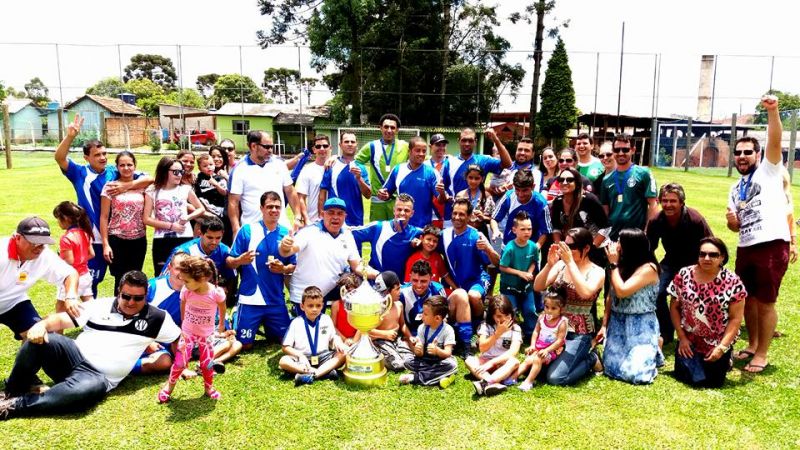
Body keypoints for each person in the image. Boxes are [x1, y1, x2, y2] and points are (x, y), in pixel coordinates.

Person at [0, 271, 180, 419]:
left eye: (138, 298)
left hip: (97, 376)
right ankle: (11, 391)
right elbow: (62, 320)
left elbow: (178, 340)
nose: (131, 302)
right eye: (126, 296)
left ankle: (14, 407)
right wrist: (42, 325)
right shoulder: (98, 305)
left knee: (85, 392)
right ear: (118, 292)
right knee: (41, 339)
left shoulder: (158, 318)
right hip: (72, 356)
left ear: (145, 296)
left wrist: (181, 366)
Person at [725, 94, 790, 374]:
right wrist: (732, 221)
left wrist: (773, 111)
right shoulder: (735, 187)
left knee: (765, 301)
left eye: (747, 152)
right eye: (738, 153)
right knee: (746, 299)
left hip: (771, 244)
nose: (742, 157)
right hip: (746, 245)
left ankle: (762, 353)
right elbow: (735, 226)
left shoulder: (769, 170)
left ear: (758, 155)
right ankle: (751, 344)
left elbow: (775, 139)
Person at [54, 114, 151, 296]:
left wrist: (128, 184)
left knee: (122, 277)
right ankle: (87, 319)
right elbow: (59, 158)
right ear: (86, 157)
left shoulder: (115, 172)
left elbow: (150, 178)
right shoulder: (79, 173)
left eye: (105, 153)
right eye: (97, 154)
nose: (102, 157)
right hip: (91, 238)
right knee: (90, 280)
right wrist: (70, 136)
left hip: (115, 236)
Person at [669, 237, 746, 387]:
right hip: (689, 340)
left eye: (713, 255)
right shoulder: (684, 274)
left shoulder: (733, 282)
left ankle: (726, 356)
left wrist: (722, 347)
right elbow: (674, 307)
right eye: (702, 254)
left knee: (712, 382)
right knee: (685, 377)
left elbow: (736, 319)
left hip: (716, 342)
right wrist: (682, 337)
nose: (706, 258)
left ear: (722, 257)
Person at [533, 227, 605, 386]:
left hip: (579, 332)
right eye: (565, 245)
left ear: (586, 248)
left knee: (555, 378)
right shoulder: (560, 266)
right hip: (554, 329)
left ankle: (591, 359)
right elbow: (538, 286)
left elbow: (585, 292)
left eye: (571, 247)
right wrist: (549, 265)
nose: (566, 251)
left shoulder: (597, 271)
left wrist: (570, 263)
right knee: (538, 369)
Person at [280, 197, 376, 313]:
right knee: (310, 329)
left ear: (345, 216)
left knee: (357, 288)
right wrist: (285, 246)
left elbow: (357, 266)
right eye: (331, 213)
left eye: (340, 213)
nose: (335, 217)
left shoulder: (347, 235)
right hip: (306, 294)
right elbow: (287, 251)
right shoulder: (309, 232)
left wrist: (379, 275)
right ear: (322, 214)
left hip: (331, 290)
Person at [227, 191, 296, 350]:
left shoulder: (287, 234)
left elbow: (293, 265)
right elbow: (229, 262)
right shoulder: (247, 230)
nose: (274, 210)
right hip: (250, 299)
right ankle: (237, 316)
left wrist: (283, 269)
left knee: (283, 340)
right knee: (245, 345)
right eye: (270, 207)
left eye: (277, 207)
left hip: (275, 299)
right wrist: (240, 260)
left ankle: (272, 322)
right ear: (261, 208)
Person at [646, 183, 712, 345]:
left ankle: (699, 333)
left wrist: (704, 270)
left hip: (695, 264)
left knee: (692, 299)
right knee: (657, 292)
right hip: (671, 262)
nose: (668, 205)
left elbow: (711, 245)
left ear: (682, 202)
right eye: (665, 201)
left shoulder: (695, 219)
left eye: (673, 201)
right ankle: (666, 332)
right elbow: (649, 248)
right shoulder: (656, 220)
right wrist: (653, 269)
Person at [157, 256, 226, 402]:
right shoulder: (187, 291)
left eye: (187, 281)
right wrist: (183, 322)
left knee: (207, 364)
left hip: (206, 336)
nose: (184, 283)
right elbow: (183, 304)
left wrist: (221, 325)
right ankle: (168, 387)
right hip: (188, 333)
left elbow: (222, 307)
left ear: (201, 279)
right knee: (180, 363)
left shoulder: (215, 293)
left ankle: (209, 387)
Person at [0, 217, 79, 341]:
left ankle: (26, 360)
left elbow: (70, 274)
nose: (39, 248)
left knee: (39, 337)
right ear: (17, 238)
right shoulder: (2, 253)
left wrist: (71, 296)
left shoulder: (44, 255)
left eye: (43, 243)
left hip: (14, 302)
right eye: (34, 242)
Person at [441, 198, 501, 356]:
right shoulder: (445, 235)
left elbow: (496, 263)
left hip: (476, 280)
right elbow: (428, 240)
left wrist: (488, 249)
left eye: (462, 214)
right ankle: (462, 333)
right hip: (455, 283)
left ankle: (481, 322)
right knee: (458, 299)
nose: (457, 217)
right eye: (454, 213)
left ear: (469, 217)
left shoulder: (476, 236)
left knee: (472, 296)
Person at [601, 228, 662, 384]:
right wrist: (603, 325)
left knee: (636, 375)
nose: (615, 245)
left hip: (641, 323)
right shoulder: (619, 265)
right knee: (611, 368)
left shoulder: (649, 268)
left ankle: (656, 345)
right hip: (618, 321)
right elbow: (611, 295)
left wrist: (613, 265)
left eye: (619, 241)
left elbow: (622, 291)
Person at [228, 130, 305, 237]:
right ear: (253, 146)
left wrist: (297, 216)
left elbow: (290, 191)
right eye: (267, 147)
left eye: (271, 147)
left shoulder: (279, 164)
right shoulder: (239, 169)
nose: (270, 150)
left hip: (280, 228)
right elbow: (233, 202)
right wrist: (236, 229)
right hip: (252, 231)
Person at [143, 157, 206, 275]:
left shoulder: (185, 189)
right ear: (164, 171)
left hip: (184, 237)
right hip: (161, 239)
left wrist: (187, 217)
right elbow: (146, 219)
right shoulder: (152, 191)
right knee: (162, 273)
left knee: (185, 272)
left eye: (181, 172)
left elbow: (201, 208)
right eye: (175, 172)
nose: (179, 175)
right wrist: (171, 226)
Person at [99, 151, 147, 295]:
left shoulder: (142, 185)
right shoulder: (110, 187)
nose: (126, 168)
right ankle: (118, 307)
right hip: (117, 239)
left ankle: (135, 306)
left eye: (129, 165)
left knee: (136, 277)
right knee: (120, 278)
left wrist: (127, 186)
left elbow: (154, 179)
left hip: (138, 239)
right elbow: (104, 216)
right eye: (122, 165)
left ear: (135, 166)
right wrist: (106, 244)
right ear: (117, 167)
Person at [279, 286, 348, 386]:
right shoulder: (296, 323)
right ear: (302, 306)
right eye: (310, 306)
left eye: (318, 305)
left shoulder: (326, 319)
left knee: (343, 354)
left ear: (322, 305)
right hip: (303, 359)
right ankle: (325, 373)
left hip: (323, 357)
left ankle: (312, 375)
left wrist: (338, 341)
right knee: (283, 361)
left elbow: (333, 337)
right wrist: (300, 355)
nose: (314, 309)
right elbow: (285, 347)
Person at [442, 128, 512, 222]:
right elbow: (443, 188)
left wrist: (496, 140)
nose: (467, 143)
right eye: (464, 140)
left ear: (475, 142)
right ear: (459, 141)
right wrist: (446, 196)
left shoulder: (483, 160)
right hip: (453, 216)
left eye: (470, 140)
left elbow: (508, 164)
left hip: (476, 219)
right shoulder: (449, 162)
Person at [598, 133, 659, 241]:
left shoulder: (643, 173)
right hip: (613, 237)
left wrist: (647, 232)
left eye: (625, 150)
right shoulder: (606, 180)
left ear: (633, 150)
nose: (621, 153)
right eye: (617, 150)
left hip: (637, 236)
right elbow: (605, 211)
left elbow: (653, 204)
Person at [351, 194, 423, 281]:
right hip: (377, 283)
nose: (402, 213)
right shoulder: (378, 227)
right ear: (394, 210)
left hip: (401, 287)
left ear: (412, 213)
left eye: (406, 210)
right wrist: (357, 261)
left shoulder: (417, 233)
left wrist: (422, 244)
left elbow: (435, 238)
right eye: (399, 209)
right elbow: (349, 233)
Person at [379, 136, 445, 228]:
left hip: (423, 227)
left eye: (424, 151)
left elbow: (441, 200)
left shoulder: (432, 172)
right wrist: (383, 194)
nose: (421, 154)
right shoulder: (398, 169)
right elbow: (385, 193)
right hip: (402, 226)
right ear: (409, 151)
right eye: (418, 150)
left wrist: (442, 193)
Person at [355, 114, 410, 221]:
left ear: (397, 130)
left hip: (398, 200)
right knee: (377, 233)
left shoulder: (405, 146)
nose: (389, 130)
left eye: (392, 127)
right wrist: (335, 157)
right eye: (386, 127)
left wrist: (445, 157)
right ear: (380, 128)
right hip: (377, 200)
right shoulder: (371, 146)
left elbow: (421, 157)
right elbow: (354, 161)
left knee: (397, 233)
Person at [550, 167, 608, 263]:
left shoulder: (589, 200)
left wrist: (590, 249)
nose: (564, 182)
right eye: (561, 179)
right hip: (569, 251)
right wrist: (560, 247)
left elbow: (605, 227)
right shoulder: (557, 202)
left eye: (569, 180)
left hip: (593, 251)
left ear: (577, 183)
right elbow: (556, 227)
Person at [467, 295, 522, 396]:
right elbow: (482, 348)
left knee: (514, 362)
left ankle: (486, 382)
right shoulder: (486, 326)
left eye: (506, 315)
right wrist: (497, 334)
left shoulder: (515, 328)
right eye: (499, 316)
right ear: (492, 316)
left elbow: (513, 351)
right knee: (469, 360)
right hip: (486, 360)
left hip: (503, 363)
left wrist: (492, 363)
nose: (504, 319)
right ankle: (494, 382)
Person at [398, 295, 458, 388]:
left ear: (437, 318)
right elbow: (419, 354)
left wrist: (437, 351)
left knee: (451, 364)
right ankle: (437, 375)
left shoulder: (448, 330)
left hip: (439, 361)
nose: (422, 316)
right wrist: (418, 350)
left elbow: (447, 353)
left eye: (425, 314)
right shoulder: (422, 328)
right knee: (407, 361)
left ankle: (416, 377)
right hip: (424, 361)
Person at [516, 290, 569, 391]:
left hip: (552, 350)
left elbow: (559, 341)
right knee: (527, 361)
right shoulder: (541, 317)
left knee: (537, 359)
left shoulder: (562, 322)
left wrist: (547, 350)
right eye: (547, 307)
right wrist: (532, 345)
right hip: (539, 347)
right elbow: (536, 331)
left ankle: (528, 382)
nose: (549, 311)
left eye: (553, 308)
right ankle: (511, 378)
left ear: (561, 309)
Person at [498, 212, 539, 340]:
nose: (527, 232)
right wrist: (520, 273)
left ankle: (530, 333)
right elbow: (502, 267)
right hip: (509, 286)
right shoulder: (510, 248)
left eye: (529, 229)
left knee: (530, 310)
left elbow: (534, 261)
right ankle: (511, 334)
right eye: (523, 229)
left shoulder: (533, 246)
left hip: (526, 286)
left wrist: (530, 272)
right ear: (514, 230)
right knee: (511, 310)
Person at [362, 271, 413, 371]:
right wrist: (385, 334)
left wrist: (410, 337)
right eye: (397, 289)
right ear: (387, 291)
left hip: (396, 339)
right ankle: (379, 356)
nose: (400, 292)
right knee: (398, 365)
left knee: (410, 360)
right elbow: (366, 330)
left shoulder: (399, 305)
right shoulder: (376, 309)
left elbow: (402, 325)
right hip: (381, 341)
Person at [318, 131, 371, 227]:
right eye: (346, 142)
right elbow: (322, 193)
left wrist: (359, 179)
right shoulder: (331, 165)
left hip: (356, 219)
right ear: (340, 145)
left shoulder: (361, 168)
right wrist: (322, 216)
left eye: (352, 142)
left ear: (356, 145)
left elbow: (368, 195)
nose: (350, 144)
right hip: (334, 218)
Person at [490, 169, 551, 249]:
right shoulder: (509, 196)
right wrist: (495, 231)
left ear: (533, 187)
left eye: (525, 190)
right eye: (517, 190)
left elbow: (545, 231)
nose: (521, 194)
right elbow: (494, 219)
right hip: (508, 246)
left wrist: (536, 247)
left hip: (529, 248)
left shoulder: (540, 203)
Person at [52, 202, 95, 313]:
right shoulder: (85, 233)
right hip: (85, 275)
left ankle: (58, 331)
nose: (58, 222)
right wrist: (81, 259)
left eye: (58, 219)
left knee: (60, 309)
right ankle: (97, 325)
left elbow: (69, 262)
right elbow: (91, 254)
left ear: (66, 218)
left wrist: (58, 258)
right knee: (90, 305)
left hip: (71, 279)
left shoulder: (66, 238)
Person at [399, 260, 448, 341]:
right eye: (415, 280)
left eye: (423, 281)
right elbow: (400, 322)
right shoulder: (402, 293)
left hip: (433, 331)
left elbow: (444, 318)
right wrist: (410, 337)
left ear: (431, 278)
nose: (419, 285)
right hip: (410, 332)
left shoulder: (438, 290)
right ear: (410, 276)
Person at [297, 135, 331, 223]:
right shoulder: (307, 170)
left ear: (330, 148)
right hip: (313, 220)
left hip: (334, 220)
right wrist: (306, 219)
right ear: (314, 149)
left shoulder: (336, 167)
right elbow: (301, 198)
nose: (322, 149)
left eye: (325, 146)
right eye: (318, 146)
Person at [455, 165, 495, 238]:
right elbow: (455, 215)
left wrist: (483, 217)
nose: (473, 181)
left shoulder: (486, 196)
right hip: (463, 231)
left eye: (477, 178)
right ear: (466, 178)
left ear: (482, 179)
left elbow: (493, 219)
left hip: (480, 233)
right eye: (470, 178)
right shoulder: (460, 195)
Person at [194, 154, 228, 230]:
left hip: (218, 209)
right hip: (204, 209)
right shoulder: (199, 179)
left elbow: (225, 193)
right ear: (200, 168)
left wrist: (216, 184)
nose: (209, 167)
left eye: (211, 164)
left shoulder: (219, 178)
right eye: (205, 166)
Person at [330, 273, 362, 347]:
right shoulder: (336, 305)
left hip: (356, 339)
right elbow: (333, 326)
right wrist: (345, 340)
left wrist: (354, 341)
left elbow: (361, 326)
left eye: (353, 291)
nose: (349, 294)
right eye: (347, 291)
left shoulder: (360, 304)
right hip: (340, 339)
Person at [425, 133, 451, 227]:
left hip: (448, 212)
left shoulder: (451, 163)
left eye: (443, 145)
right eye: (438, 145)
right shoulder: (424, 166)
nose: (441, 148)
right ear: (430, 146)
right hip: (430, 212)